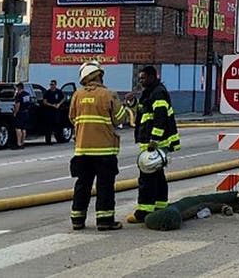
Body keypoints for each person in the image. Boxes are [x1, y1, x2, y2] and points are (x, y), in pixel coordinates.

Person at [68, 60, 127, 230]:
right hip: (104, 151)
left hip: (82, 150)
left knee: (82, 186)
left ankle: (77, 220)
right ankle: (104, 221)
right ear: (99, 75)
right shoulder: (108, 95)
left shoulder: (77, 96)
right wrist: (120, 103)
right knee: (105, 187)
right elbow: (119, 119)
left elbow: (72, 118)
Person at [127, 65, 180, 224]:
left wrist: (154, 141)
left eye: (143, 78)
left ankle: (143, 211)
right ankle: (160, 205)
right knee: (157, 176)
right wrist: (133, 102)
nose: (141, 81)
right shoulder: (150, 92)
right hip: (150, 142)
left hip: (156, 143)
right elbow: (143, 112)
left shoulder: (158, 93)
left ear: (152, 76)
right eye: (140, 78)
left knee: (147, 178)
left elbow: (160, 118)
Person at [41, 79, 66, 145]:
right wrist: (52, 105)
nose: (52, 86)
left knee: (58, 125)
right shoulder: (47, 92)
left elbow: (63, 98)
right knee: (49, 127)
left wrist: (59, 104)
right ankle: (48, 141)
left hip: (57, 111)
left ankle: (60, 139)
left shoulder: (59, 92)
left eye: (53, 84)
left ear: (55, 85)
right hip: (49, 112)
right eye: (51, 84)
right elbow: (44, 101)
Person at [12, 82, 30, 149]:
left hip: (20, 113)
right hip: (26, 112)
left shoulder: (19, 95)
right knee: (24, 129)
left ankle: (18, 143)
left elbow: (17, 105)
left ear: (18, 88)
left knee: (18, 128)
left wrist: (15, 113)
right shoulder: (27, 94)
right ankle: (22, 143)